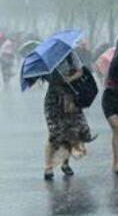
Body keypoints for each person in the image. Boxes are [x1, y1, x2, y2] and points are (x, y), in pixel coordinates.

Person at [43, 51, 96, 180]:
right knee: (55, 133)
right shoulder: (47, 59)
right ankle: (48, 167)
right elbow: (44, 77)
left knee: (72, 131)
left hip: (71, 97)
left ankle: (65, 164)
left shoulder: (70, 55)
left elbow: (80, 71)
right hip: (53, 100)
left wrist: (69, 79)